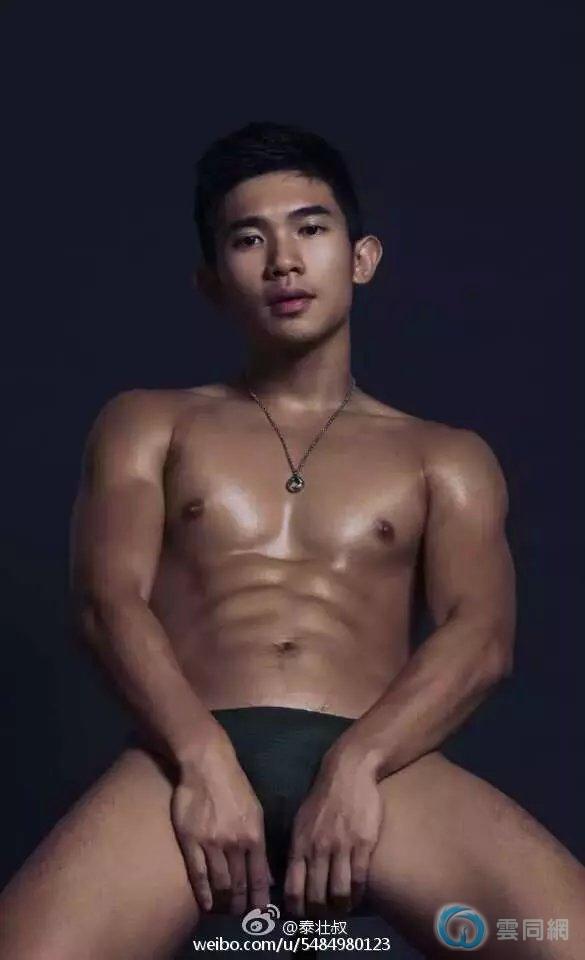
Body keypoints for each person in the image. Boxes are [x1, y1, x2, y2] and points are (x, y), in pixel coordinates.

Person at [1, 120, 584, 960]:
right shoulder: (149, 422)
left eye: (310, 228)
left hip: (379, 761)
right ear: (212, 281)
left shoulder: (444, 456)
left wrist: (356, 766)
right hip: (184, 755)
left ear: (360, 257)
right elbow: (106, 604)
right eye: (249, 239)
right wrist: (203, 761)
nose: (282, 260)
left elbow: (480, 637)